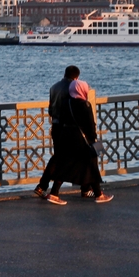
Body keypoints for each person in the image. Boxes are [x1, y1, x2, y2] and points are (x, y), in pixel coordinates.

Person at [34, 65, 80, 204]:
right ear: (76, 77)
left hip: (55, 126)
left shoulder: (54, 87)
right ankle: (52, 191)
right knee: (65, 159)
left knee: (58, 157)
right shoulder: (72, 88)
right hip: (68, 127)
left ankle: (42, 186)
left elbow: (50, 110)